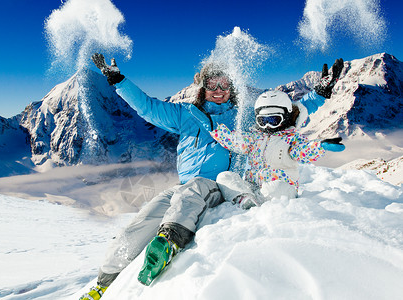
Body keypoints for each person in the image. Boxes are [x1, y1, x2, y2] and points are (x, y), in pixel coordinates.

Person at [79, 54, 343, 299]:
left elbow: (284, 113)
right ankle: (103, 284)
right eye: (212, 83)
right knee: (137, 227)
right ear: (202, 87)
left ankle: (170, 240)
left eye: (224, 84)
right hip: (183, 189)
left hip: (220, 186)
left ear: (232, 87)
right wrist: (118, 81)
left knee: (193, 189)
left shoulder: (243, 116)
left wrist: (320, 93)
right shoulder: (186, 114)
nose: (219, 90)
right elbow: (148, 107)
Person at [210, 90, 345, 210]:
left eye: (274, 120)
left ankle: (260, 202)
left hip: (281, 187)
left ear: (286, 117)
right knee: (224, 176)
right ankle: (244, 198)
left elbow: (303, 151)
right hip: (253, 186)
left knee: (276, 188)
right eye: (263, 121)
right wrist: (215, 131)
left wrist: (320, 146)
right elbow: (235, 141)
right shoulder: (254, 137)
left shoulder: (291, 139)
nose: (268, 126)